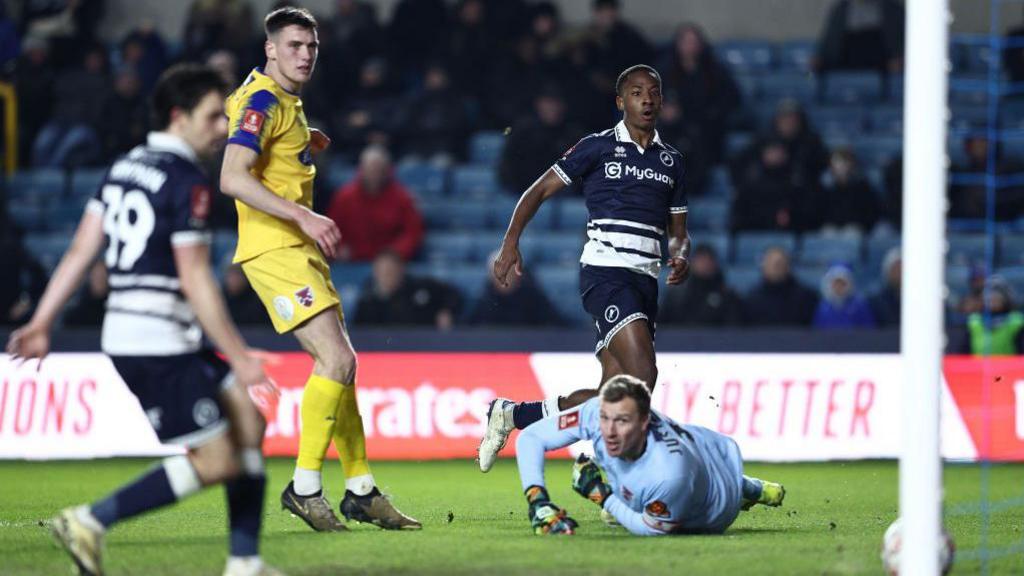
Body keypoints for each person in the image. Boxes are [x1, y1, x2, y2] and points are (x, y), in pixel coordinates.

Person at [6, 64, 282, 576]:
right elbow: (196, 279)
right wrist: (241, 357)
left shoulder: (123, 167)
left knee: (249, 419)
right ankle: (90, 519)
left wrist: (43, 320)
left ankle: (245, 563)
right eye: (211, 117)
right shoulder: (186, 181)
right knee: (218, 460)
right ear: (178, 117)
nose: (223, 128)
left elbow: (80, 250)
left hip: (154, 333)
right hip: (155, 341)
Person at [218, 7, 419, 532]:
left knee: (343, 366)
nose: (305, 55)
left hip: (294, 247)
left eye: (311, 46)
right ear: (269, 49)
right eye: (293, 46)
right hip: (275, 247)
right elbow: (233, 177)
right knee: (336, 360)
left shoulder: (278, 100)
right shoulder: (265, 101)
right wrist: (303, 212)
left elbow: (252, 134)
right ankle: (304, 487)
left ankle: (360, 489)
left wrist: (301, 146)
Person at [478, 64, 690, 472]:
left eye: (653, 92)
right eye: (636, 92)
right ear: (620, 102)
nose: (646, 99)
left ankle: (511, 414)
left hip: (645, 280)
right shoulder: (597, 147)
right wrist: (509, 243)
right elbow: (538, 189)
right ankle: (617, 475)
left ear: (661, 101)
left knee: (608, 396)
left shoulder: (672, 162)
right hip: (606, 273)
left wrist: (680, 252)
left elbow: (679, 229)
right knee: (644, 374)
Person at [514, 375, 785, 536]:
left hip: (714, 507)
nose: (608, 431)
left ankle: (748, 487)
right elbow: (530, 437)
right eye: (605, 418)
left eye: (621, 421)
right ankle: (750, 486)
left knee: (624, 511)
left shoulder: (670, 474)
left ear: (644, 422)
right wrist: (539, 503)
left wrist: (602, 495)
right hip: (695, 446)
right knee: (624, 504)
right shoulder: (596, 413)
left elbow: (652, 530)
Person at [326, 145, 424, 262]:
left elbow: (413, 232)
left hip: (389, 262)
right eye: (370, 168)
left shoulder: (403, 197)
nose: (374, 173)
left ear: (387, 170)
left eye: (378, 169)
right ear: (361, 169)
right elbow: (331, 229)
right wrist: (339, 247)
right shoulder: (345, 196)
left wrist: (395, 252)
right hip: (351, 259)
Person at [354, 250, 461, 329]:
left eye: (390, 271)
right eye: (382, 272)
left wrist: (446, 311)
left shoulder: (420, 286)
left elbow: (452, 294)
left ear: (400, 270)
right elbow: (359, 332)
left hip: (425, 343)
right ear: (375, 273)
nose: (386, 276)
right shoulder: (368, 301)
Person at [658, 244, 742, 326]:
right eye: (701, 260)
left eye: (709, 260)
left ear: (715, 264)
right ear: (692, 263)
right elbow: (662, 326)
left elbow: (734, 330)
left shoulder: (727, 296)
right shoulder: (676, 295)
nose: (705, 264)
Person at [742, 246, 818, 326]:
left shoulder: (807, 297)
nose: (776, 267)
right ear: (763, 265)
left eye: (780, 263)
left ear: (788, 266)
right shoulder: (752, 299)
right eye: (772, 263)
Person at [959, 276, 1024, 356]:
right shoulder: (973, 322)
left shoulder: (1016, 322)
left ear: (1006, 298)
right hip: (977, 368)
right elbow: (963, 354)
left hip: (1009, 368)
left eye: (997, 294)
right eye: (988, 295)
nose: (992, 298)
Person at [812, 262, 876, 329]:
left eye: (843, 284)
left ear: (849, 284)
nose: (839, 287)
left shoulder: (860, 306)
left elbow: (869, 330)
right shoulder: (823, 308)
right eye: (836, 284)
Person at [867, 247, 901, 327]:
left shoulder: (917, 299)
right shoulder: (877, 302)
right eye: (895, 269)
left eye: (901, 268)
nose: (899, 273)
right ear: (887, 272)